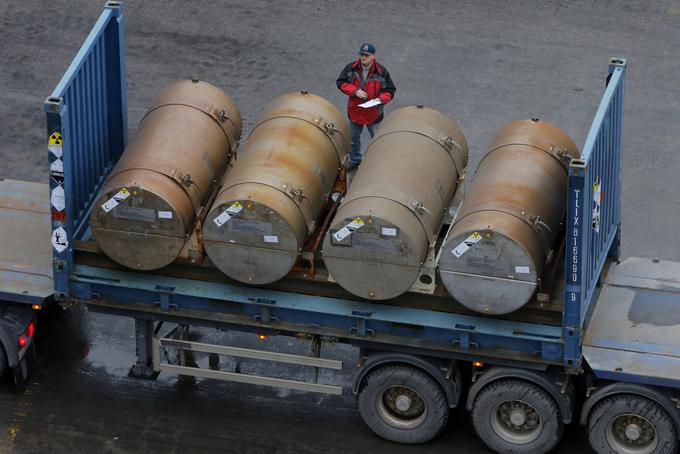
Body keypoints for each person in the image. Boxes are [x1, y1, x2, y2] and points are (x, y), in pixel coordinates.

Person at [336, 43, 396, 170]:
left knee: (377, 140)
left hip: (374, 113)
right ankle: (355, 159)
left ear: (373, 56)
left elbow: (390, 91)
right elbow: (341, 82)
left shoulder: (381, 72)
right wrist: (354, 91)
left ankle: (378, 162)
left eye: (366, 55)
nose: (363, 57)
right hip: (356, 111)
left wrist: (379, 99)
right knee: (353, 139)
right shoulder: (351, 68)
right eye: (362, 54)